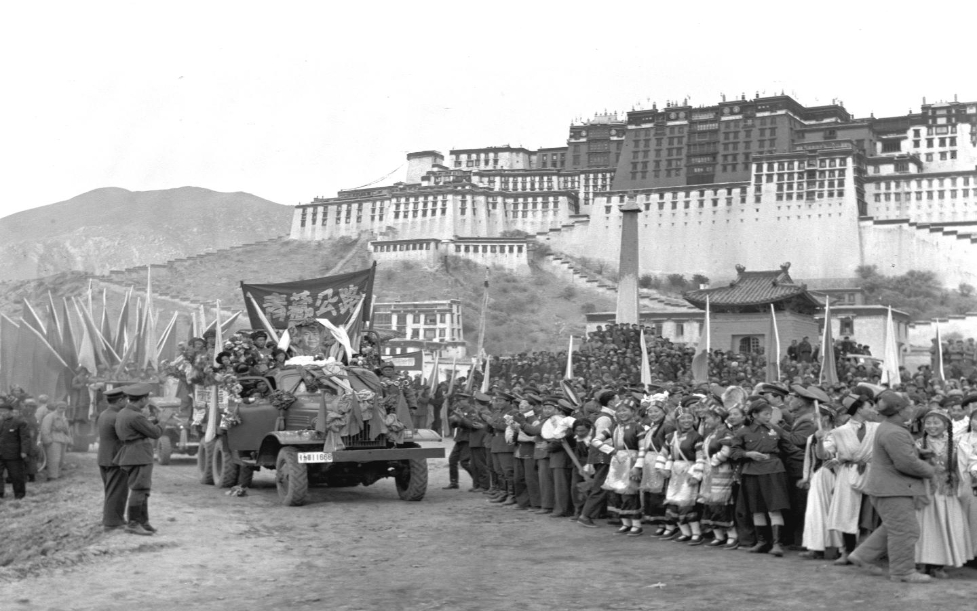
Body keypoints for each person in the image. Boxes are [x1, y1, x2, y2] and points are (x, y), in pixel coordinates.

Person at [847, 391, 935, 583]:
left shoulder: (889, 428)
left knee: (893, 526)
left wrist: (918, 452)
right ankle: (903, 572)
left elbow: (900, 454)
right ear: (899, 410)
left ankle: (862, 555)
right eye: (908, 407)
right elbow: (905, 463)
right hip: (893, 489)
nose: (911, 409)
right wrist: (931, 471)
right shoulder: (895, 432)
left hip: (888, 488)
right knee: (906, 530)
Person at [913, 409, 974, 577]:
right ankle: (923, 561)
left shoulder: (957, 444)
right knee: (925, 528)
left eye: (936, 422)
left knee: (945, 527)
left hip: (947, 493)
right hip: (925, 493)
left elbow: (968, 463)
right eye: (928, 423)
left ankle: (938, 565)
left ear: (946, 425)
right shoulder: (918, 444)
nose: (931, 426)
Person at [825, 389, 881, 565]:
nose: (874, 410)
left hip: (871, 474)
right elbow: (824, 453)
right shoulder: (839, 431)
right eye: (870, 407)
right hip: (847, 475)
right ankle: (846, 551)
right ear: (859, 409)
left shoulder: (877, 428)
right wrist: (819, 441)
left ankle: (863, 554)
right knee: (846, 513)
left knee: (867, 515)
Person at [114, 384, 163, 536]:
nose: (147, 401)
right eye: (146, 398)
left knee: (143, 489)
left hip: (133, 453)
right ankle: (134, 523)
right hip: (139, 455)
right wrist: (163, 421)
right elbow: (155, 433)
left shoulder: (124, 413)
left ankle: (143, 521)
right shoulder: (136, 416)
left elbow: (142, 428)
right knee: (140, 489)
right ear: (141, 399)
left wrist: (153, 421)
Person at [97, 387, 129, 532]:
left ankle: (116, 519)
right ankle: (111, 522)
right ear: (120, 400)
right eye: (126, 399)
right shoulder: (117, 416)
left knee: (112, 491)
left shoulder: (104, 414)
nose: (127, 402)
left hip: (105, 457)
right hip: (115, 459)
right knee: (116, 492)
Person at [0, 402, 30, 500]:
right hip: (1, 453)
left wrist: (24, 451)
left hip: (14, 455)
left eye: (4, 411)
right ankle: (0, 493)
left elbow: (25, 438)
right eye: (0, 411)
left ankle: (19, 495)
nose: (2, 413)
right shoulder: (0, 422)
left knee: (16, 476)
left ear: (11, 411)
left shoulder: (20, 422)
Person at [40, 402, 72, 480]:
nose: (62, 409)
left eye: (64, 408)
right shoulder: (49, 416)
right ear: (56, 407)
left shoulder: (64, 417)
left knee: (61, 459)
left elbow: (67, 430)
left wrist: (70, 440)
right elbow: (45, 429)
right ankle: (52, 476)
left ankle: (58, 474)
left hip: (62, 439)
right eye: (60, 407)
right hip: (53, 440)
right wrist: (47, 440)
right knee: (54, 459)